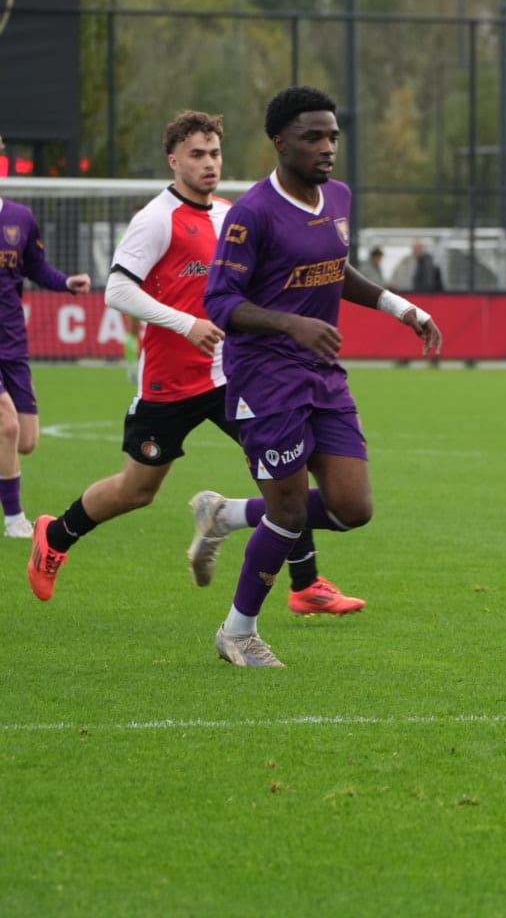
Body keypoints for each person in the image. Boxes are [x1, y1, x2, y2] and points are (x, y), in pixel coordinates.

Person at [23, 111, 363, 614]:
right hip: (170, 382)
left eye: (215, 153)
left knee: (285, 474)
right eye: (198, 155)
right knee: (136, 491)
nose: (209, 164)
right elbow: (117, 289)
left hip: (232, 375)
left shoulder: (231, 213)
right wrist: (186, 323)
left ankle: (306, 583)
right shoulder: (156, 219)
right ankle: (57, 534)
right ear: (174, 160)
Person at [201, 86, 442, 667]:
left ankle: (227, 514)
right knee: (287, 513)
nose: (327, 147)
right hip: (266, 378)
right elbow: (219, 301)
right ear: (280, 143)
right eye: (313, 137)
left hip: (322, 372)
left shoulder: (337, 196)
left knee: (352, 507)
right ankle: (237, 631)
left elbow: (335, 269)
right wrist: (291, 325)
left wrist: (400, 307)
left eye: (332, 135)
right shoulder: (251, 213)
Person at [0, 134, 92, 539]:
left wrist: (67, 281)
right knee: (6, 428)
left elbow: (37, 267)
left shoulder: (20, 218)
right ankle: (14, 519)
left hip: (12, 342)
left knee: (26, 441)